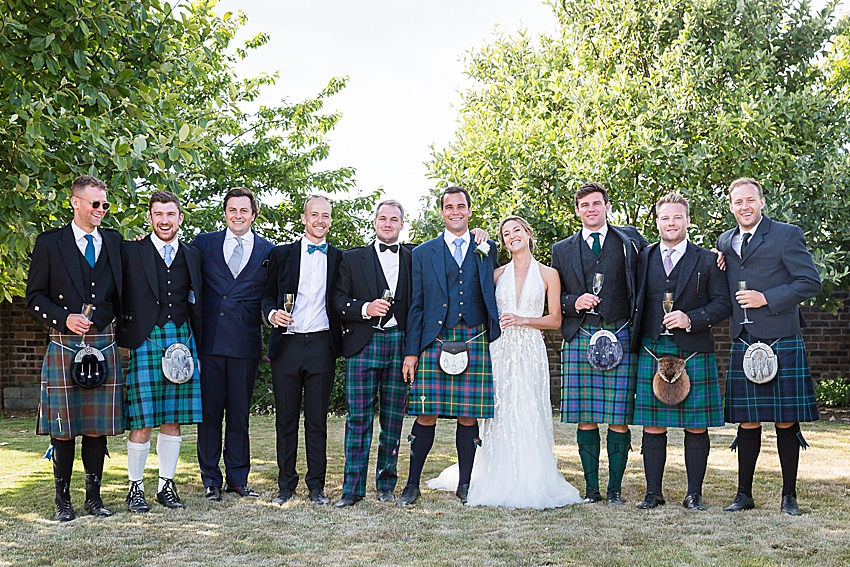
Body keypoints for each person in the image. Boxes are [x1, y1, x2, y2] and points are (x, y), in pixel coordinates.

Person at [427, 216, 583, 509]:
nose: (512, 236)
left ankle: (533, 476)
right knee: (499, 411)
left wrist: (523, 320)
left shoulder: (549, 274)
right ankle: (494, 472)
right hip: (499, 350)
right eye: (506, 233)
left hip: (531, 350)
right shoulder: (497, 273)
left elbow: (556, 320)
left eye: (517, 230)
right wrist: (479, 240)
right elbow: (467, 280)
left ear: (528, 232)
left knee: (529, 408)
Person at [715, 178, 821, 516]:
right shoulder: (725, 241)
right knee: (747, 420)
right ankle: (743, 494)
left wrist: (767, 299)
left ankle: (788, 496)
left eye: (750, 200)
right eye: (737, 202)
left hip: (780, 337)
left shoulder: (786, 235)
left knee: (786, 420)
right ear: (731, 206)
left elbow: (809, 281)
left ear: (762, 202)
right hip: (744, 341)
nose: (744, 206)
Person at [26, 175, 124, 522]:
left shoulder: (114, 242)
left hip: (102, 341)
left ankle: (94, 499)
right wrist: (62, 318)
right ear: (75, 202)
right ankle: (62, 500)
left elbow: (123, 290)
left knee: (96, 426)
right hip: (66, 343)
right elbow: (34, 297)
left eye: (105, 205)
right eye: (95, 204)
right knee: (64, 426)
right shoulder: (50, 243)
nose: (100, 210)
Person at [397, 186, 500, 507]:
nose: (455, 211)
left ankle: (465, 484)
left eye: (461, 206)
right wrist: (411, 352)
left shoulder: (487, 247)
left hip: (474, 339)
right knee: (426, 413)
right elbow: (416, 304)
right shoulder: (423, 253)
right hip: (433, 341)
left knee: (468, 416)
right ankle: (412, 484)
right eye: (448, 207)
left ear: (469, 210)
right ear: (441, 213)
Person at [631, 193, 731, 511]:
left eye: (677, 217)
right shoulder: (642, 257)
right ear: (657, 222)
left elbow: (723, 304)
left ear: (688, 220)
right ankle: (653, 492)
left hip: (693, 349)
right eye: (664, 218)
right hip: (652, 348)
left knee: (696, 425)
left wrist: (692, 319)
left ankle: (694, 494)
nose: (670, 223)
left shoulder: (707, 259)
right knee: (652, 424)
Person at [551, 181, 648, 506]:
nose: (591, 209)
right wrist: (572, 303)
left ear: (607, 206)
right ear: (577, 211)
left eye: (596, 203)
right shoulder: (562, 249)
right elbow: (553, 295)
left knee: (618, 416)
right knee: (586, 415)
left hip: (619, 331)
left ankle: (615, 490)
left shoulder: (630, 241)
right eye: (584, 205)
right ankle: (592, 488)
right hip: (581, 334)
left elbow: (657, 267)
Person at [117, 191, 203, 513]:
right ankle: (135, 488)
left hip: (181, 337)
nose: (164, 220)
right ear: (150, 218)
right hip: (146, 340)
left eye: (170, 214)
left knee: (173, 419)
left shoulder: (193, 255)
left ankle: (166, 485)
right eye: (158, 214)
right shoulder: (131, 251)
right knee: (142, 420)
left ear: (180, 218)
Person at [331, 200, 414, 507]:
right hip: (363, 344)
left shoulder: (414, 255)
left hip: (399, 344)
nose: (388, 223)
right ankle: (352, 489)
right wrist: (365, 309)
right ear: (375, 222)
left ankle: (386, 484)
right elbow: (338, 300)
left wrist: (479, 236)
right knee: (358, 420)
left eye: (394, 219)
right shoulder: (352, 258)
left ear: (402, 224)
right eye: (383, 218)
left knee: (393, 419)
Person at [193, 187, 274, 501]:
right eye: (232, 210)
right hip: (210, 342)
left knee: (239, 415)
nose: (237, 216)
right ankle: (211, 480)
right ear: (225, 213)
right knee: (210, 415)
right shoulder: (203, 244)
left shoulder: (268, 251)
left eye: (244, 210)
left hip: (245, 344)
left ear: (253, 215)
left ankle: (238, 480)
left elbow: (273, 294)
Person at [262, 195, 343, 506]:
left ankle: (316, 487)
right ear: (303, 218)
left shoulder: (338, 257)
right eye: (314, 215)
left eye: (325, 216)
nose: (320, 220)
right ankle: (286, 485)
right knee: (285, 420)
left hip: (323, 344)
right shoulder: (281, 254)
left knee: (317, 421)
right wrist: (271, 315)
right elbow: (265, 297)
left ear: (330, 220)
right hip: (288, 344)